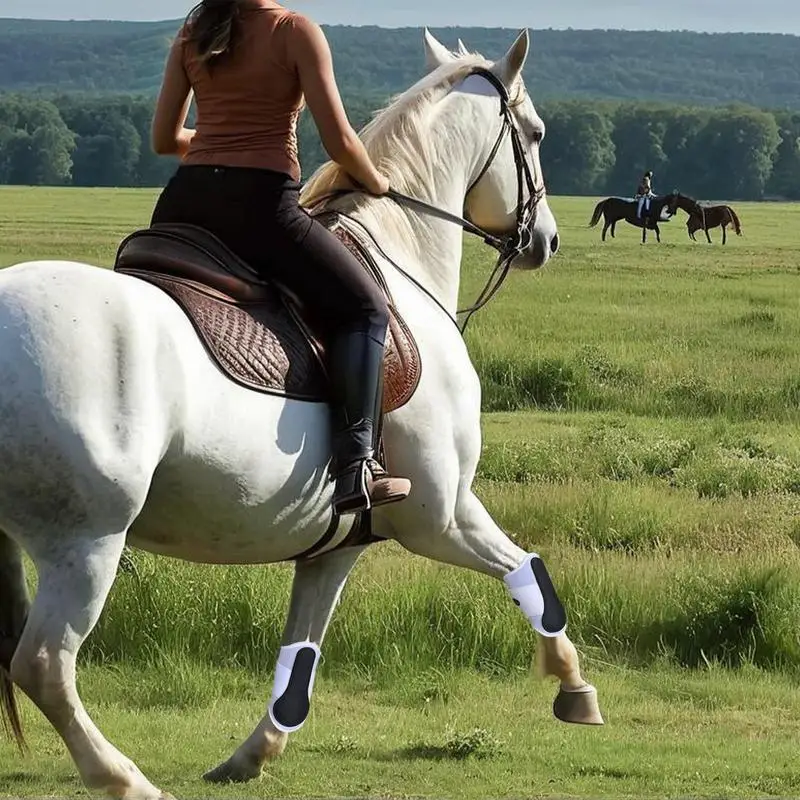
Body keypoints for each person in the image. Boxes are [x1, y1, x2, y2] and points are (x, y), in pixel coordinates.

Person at [148, 0, 411, 515]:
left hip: (184, 201)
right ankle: (358, 464)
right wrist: (378, 181)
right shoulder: (294, 31)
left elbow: (164, 140)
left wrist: (216, 144)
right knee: (365, 309)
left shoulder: (196, 29)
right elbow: (338, 142)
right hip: (260, 206)